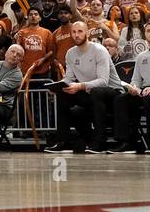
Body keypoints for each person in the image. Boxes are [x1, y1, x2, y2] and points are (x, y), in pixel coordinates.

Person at [45, 19, 118, 154]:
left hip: (112, 92)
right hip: (89, 91)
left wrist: (80, 86)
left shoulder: (99, 50)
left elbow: (103, 81)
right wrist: (59, 87)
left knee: (96, 92)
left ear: (87, 33)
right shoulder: (70, 53)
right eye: (73, 32)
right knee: (63, 93)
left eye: (80, 31)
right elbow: (69, 78)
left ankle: (100, 142)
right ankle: (63, 140)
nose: (76, 35)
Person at [0, 44, 25, 143]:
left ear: (21, 60)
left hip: (5, 106)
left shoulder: (17, 75)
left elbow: (1, 86)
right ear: (6, 53)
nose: (14, 55)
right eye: (12, 52)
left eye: (18, 55)